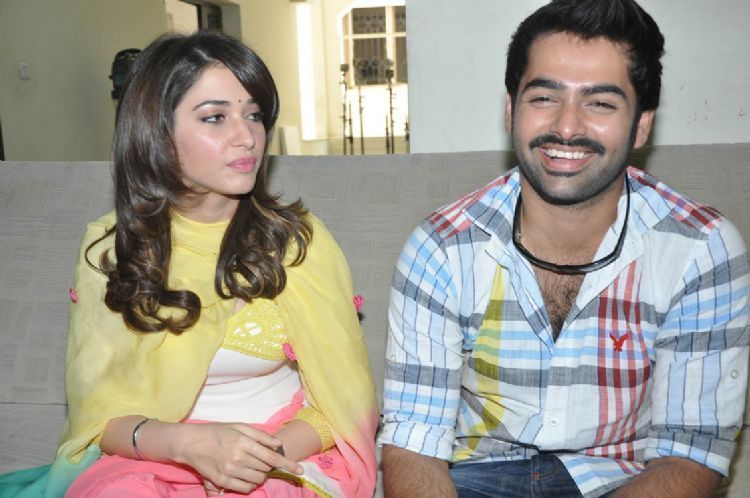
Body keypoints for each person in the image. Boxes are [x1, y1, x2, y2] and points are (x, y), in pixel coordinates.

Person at [379, 1, 749, 497]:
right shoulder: (443, 246)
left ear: (641, 124)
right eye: (544, 97)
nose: (568, 126)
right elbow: (414, 444)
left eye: (600, 103)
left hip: (622, 479)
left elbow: (690, 453)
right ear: (511, 109)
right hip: (473, 477)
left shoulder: (700, 248)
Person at [0, 31, 377, 498]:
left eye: (254, 115)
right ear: (157, 133)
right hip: (153, 455)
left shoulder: (298, 242)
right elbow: (97, 418)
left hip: (280, 451)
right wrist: (190, 445)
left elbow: (344, 403)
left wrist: (250, 460)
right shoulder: (111, 247)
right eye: (215, 118)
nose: (247, 137)